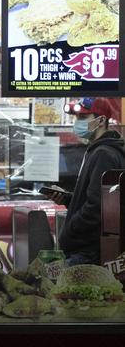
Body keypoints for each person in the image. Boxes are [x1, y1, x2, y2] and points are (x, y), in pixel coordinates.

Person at [51, 97, 125, 266]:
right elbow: (100, 199)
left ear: (101, 121)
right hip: (88, 250)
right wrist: (69, 199)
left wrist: (70, 230)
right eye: (77, 117)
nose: (78, 122)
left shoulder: (104, 154)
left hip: (88, 252)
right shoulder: (98, 150)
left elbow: (97, 208)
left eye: (83, 118)